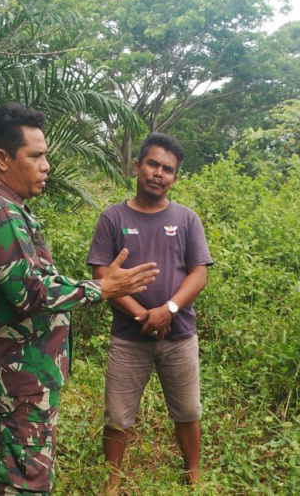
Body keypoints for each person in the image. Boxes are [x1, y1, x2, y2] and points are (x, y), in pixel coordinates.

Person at [0, 102, 159, 495]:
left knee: (10, 471)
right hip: (20, 370)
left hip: (22, 369)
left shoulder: (4, 207)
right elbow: (29, 293)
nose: (46, 165)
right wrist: (102, 288)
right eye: (35, 156)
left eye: (45, 155)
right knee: (26, 480)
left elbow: (36, 280)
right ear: (2, 159)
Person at [86, 133, 213, 490]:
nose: (158, 173)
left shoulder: (187, 219)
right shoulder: (112, 217)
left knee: (188, 412)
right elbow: (101, 275)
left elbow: (199, 273)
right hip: (129, 337)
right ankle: (112, 483)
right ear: (137, 166)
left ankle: (193, 479)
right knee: (117, 416)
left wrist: (168, 309)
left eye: (167, 169)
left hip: (179, 335)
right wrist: (144, 316)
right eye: (153, 164)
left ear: (175, 178)